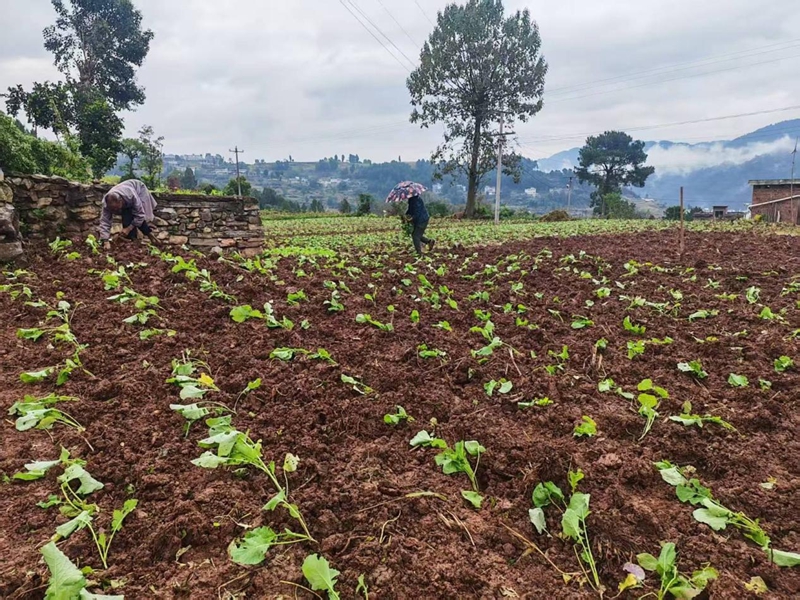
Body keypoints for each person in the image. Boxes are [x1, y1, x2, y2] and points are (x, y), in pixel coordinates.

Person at [98, 179, 158, 250]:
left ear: (121, 201)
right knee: (126, 218)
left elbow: (140, 215)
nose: (115, 211)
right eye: (113, 209)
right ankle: (133, 241)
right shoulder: (106, 204)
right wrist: (105, 241)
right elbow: (105, 221)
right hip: (126, 197)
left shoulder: (131, 195)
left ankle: (149, 236)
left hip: (139, 190)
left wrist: (128, 229)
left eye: (116, 208)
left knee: (137, 215)